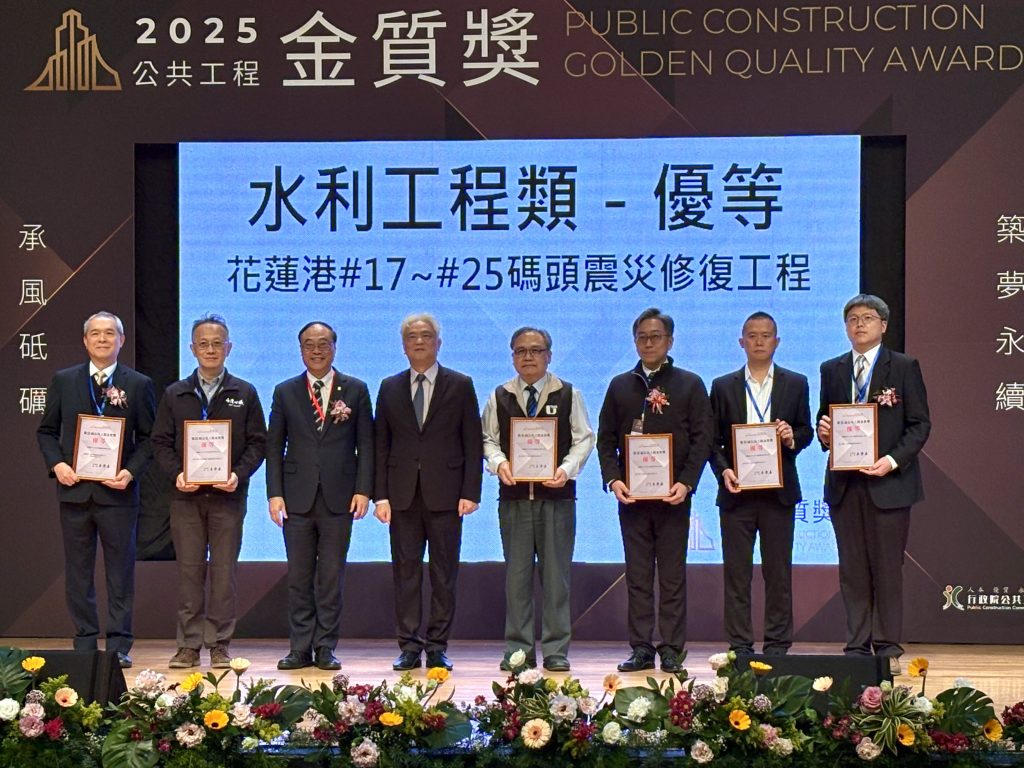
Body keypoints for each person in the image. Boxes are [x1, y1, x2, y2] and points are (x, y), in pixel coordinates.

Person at [816, 294, 930, 676]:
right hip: (845, 485)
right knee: (852, 569)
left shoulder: (904, 367)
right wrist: (824, 433)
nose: (859, 324)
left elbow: (919, 424)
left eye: (867, 318)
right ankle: (856, 647)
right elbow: (824, 420)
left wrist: (891, 461)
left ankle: (887, 647)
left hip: (889, 484)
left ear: (883, 325)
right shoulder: (832, 369)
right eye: (852, 318)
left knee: (886, 569)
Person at [36, 311, 156, 668]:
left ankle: (119, 645)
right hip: (74, 493)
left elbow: (149, 439)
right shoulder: (64, 380)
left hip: (118, 495)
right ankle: (85, 642)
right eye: (95, 334)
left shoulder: (138, 384)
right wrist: (57, 465)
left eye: (109, 333)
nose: (103, 339)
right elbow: (46, 431)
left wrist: (129, 472)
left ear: (122, 340)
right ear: (85, 340)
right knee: (78, 573)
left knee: (120, 573)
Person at [597, 307, 713, 673]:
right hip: (632, 499)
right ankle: (642, 649)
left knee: (673, 576)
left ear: (670, 341)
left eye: (656, 336)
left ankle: (672, 649)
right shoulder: (620, 385)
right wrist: (614, 479)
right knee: (638, 576)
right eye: (642, 337)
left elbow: (703, 438)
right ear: (635, 342)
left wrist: (687, 482)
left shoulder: (690, 384)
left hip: (673, 497)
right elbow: (605, 440)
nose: (649, 343)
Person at [151, 314, 267, 669]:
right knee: (189, 573)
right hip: (186, 499)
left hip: (228, 498)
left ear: (229, 348)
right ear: (192, 349)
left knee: (223, 574)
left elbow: (258, 443)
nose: (211, 349)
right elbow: (160, 442)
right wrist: (178, 474)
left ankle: (218, 644)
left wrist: (237, 474)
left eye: (218, 343)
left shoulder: (244, 392)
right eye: (204, 344)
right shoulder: (175, 393)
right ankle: (188, 645)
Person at [482, 327, 595, 672]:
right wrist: (499, 463)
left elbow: (584, 438)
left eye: (535, 350)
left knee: (556, 578)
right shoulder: (499, 395)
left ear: (549, 355)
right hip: (514, 500)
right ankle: (518, 651)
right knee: (516, 579)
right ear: (512, 357)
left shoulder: (568, 393)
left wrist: (566, 469)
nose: (528, 357)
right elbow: (487, 439)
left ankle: (556, 650)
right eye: (521, 351)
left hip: (557, 500)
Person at [374, 313, 483, 672]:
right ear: (403, 346)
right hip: (402, 496)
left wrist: (471, 491)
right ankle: (408, 646)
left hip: (447, 495)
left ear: (439, 342)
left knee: (443, 575)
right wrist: (380, 495)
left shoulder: (460, 384)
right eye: (412, 336)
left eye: (425, 335)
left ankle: (437, 646)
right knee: (405, 573)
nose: (419, 341)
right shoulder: (389, 387)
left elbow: (472, 441)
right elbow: (380, 444)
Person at [266, 322, 373, 671]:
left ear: (334, 348)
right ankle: (299, 648)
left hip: (339, 498)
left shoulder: (355, 389)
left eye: (323, 344)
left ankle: (325, 647)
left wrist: (363, 490)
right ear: (300, 350)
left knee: (330, 578)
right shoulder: (285, 391)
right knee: (299, 578)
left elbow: (366, 445)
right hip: (296, 499)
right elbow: (274, 446)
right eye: (309, 345)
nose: (316, 350)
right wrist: (274, 494)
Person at [709, 311, 812, 656]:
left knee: (778, 573)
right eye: (752, 335)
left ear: (776, 342)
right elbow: (711, 440)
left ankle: (778, 646)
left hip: (778, 494)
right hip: (737, 492)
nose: (758, 341)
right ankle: (739, 646)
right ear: (741, 342)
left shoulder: (795, 383)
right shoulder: (723, 386)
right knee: (737, 575)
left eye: (765, 335)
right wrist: (724, 471)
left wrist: (791, 437)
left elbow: (806, 430)